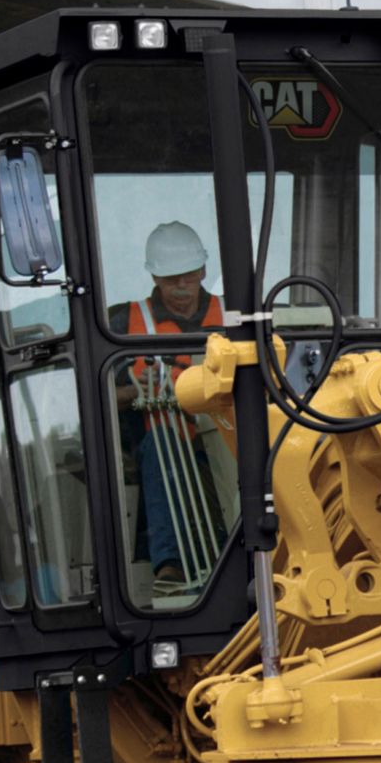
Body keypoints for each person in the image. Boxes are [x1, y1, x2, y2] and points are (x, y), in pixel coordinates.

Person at [110, 221, 224, 589]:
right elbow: (89, 399)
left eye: (188, 276)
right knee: (162, 446)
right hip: (164, 445)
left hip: (227, 439)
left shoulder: (233, 315)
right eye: (171, 279)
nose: (181, 286)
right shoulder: (122, 323)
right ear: (155, 277)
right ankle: (169, 564)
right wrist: (134, 392)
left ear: (203, 270)